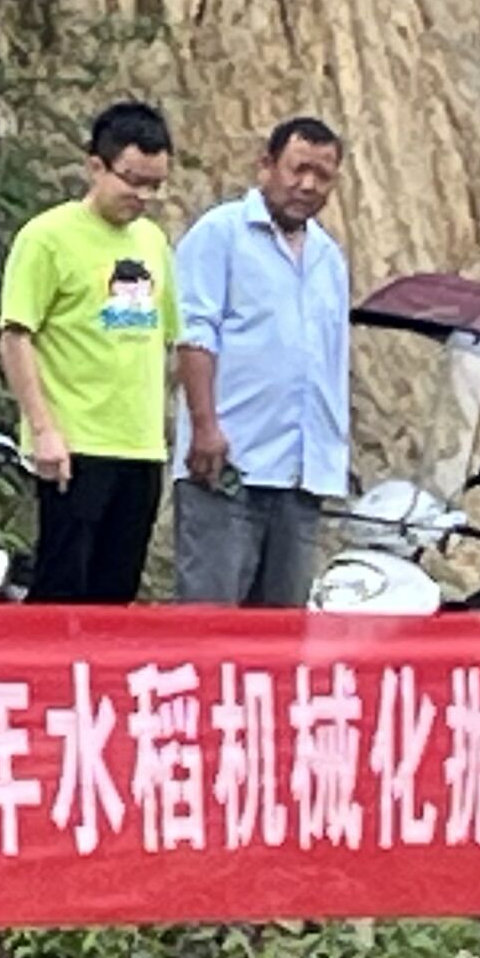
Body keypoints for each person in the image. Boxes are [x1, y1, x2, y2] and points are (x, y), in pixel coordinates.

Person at [0, 104, 186, 606]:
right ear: (96, 167)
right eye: (132, 181)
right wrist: (42, 429)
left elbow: (166, 336)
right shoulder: (47, 238)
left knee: (115, 593)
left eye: (155, 184)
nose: (142, 196)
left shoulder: (152, 241)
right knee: (63, 586)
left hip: (140, 446)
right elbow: (16, 336)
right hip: (75, 443)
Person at [173, 115, 356, 607]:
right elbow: (193, 334)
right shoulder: (221, 234)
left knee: (281, 636)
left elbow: (330, 360)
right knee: (211, 623)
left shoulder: (328, 259)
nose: (308, 185)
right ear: (266, 166)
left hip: (300, 475)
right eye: (298, 169)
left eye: (322, 176)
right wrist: (204, 425)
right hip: (230, 464)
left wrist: (333, 445)